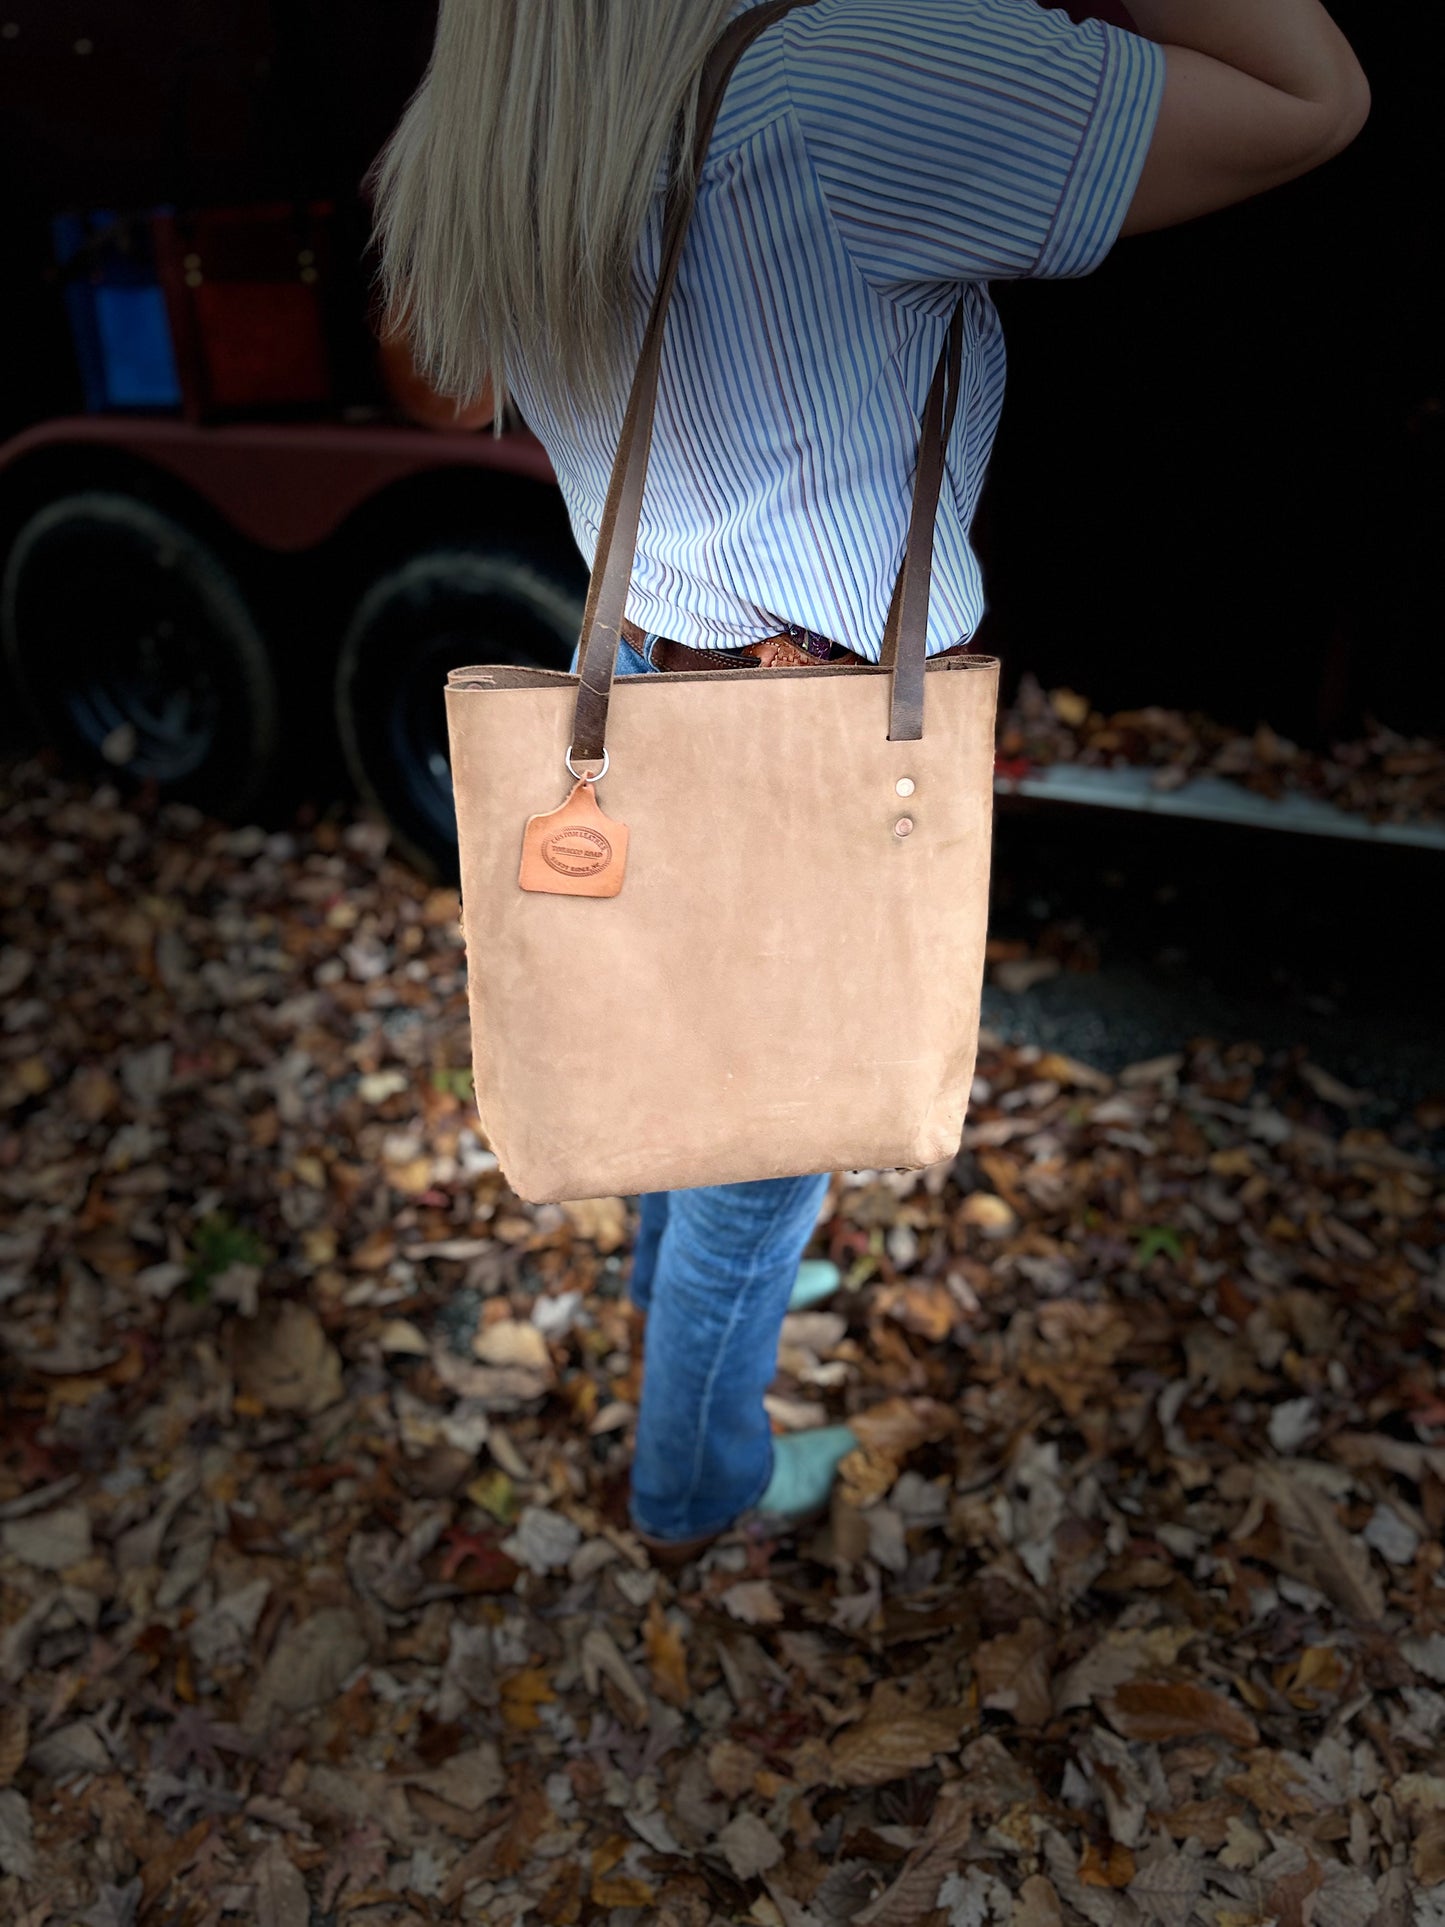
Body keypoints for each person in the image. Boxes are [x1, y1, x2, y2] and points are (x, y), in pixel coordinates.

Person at [369, 0, 1370, 1566]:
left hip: (642, 681)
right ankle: (694, 1485)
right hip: (818, 738)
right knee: (760, 1170)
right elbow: (1309, 99)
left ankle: (669, 1295)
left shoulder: (487, 132)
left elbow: (447, 382)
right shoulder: (832, 87)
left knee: (672, 1052)